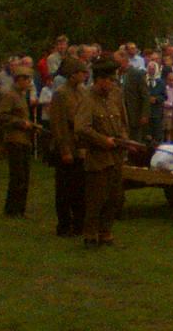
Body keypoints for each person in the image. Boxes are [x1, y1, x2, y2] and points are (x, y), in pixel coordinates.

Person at [75, 57, 130, 247]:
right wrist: (103, 140)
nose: (112, 84)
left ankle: (106, 232)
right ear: (100, 80)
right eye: (109, 80)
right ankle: (90, 234)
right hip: (98, 157)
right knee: (96, 199)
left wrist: (123, 139)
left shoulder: (114, 97)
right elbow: (82, 128)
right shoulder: (88, 100)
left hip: (115, 156)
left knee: (114, 197)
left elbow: (123, 122)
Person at [50, 58, 88, 237]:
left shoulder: (82, 91)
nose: (85, 75)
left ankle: (79, 224)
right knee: (65, 189)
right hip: (67, 146)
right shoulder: (60, 93)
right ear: (73, 74)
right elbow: (58, 125)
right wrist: (64, 149)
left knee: (79, 189)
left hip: (81, 146)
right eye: (82, 72)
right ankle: (64, 225)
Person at [0, 66, 35, 217]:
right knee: (17, 176)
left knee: (25, 176)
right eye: (26, 79)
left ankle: (20, 209)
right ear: (19, 79)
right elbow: (1, 117)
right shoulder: (10, 96)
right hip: (14, 140)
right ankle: (12, 209)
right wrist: (20, 123)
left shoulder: (21, 95)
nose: (28, 82)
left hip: (24, 140)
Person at [115, 50, 150, 142]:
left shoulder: (137, 74)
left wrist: (145, 114)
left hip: (134, 113)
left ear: (124, 60)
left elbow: (145, 95)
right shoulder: (116, 75)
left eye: (117, 62)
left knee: (135, 140)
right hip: (120, 114)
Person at [145, 61, 166, 143]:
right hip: (146, 111)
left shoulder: (160, 82)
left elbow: (164, 96)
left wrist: (156, 99)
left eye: (153, 69)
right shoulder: (144, 80)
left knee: (157, 133)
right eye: (149, 69)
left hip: (156, 111)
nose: (151, 70)